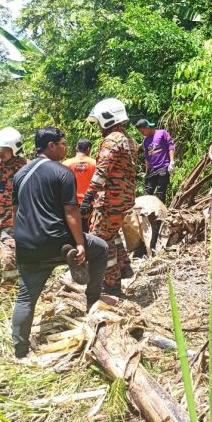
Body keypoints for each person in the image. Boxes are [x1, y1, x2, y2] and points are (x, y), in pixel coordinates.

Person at [12, 126, 108, 359]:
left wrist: (20, 239)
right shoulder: (62, 172)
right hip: (57, 240)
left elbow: (17, 211)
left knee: (26, 296)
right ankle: (92, 302)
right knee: (101, 249)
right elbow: (72, 211)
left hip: (26, 244)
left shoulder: (20, 174)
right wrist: (80, 243)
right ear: (51, 146)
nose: (66, 148)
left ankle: (20, 350)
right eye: (63, 143)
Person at [81, 99, 138, 296]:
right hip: (123, 200)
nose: (97, 126)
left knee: (99, 242)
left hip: (110, 201)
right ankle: (123, 267)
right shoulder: (130, 140)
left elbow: (102, 171)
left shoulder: (112, 140)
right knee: (111, 236)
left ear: (107, 118)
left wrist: (88, 197)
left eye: (98, 122)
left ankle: (112, 284)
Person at [0, 127, 27, 294]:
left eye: (3, 150)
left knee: (8, 258)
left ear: (14, 148)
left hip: (13, 222)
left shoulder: (25, 167)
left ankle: (9, 292)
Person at [135, 119, 175, 204]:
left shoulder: (162, 133)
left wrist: (172, 162)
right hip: (152, 169)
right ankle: (146, 212)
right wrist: (147, 172)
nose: (142, 133)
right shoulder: (145, 140)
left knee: (161, 193)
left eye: (142, 131)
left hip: (163, 166)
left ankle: (160, 214)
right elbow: (147, 157)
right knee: (148, 192)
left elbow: (170, 146)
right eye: (140, 132)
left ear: (147, 127)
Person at [63, 138, 96, 229]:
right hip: (89, 204)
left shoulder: (66, 164)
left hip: (70, 204)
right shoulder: (95, 164)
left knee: (72, 230)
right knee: (87, 230)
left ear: (76, 148)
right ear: (88, 149)